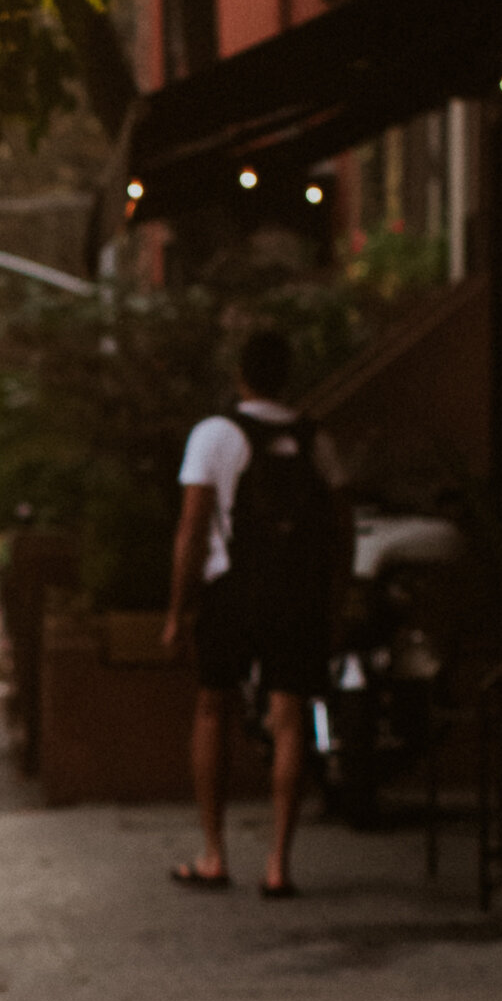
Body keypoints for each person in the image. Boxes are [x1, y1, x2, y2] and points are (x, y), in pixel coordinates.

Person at [164, 326, 342, 898]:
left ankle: (215, 854)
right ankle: (278, 865)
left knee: (213, 710)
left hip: (230, 592)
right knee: (290, 718)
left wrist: (176, 610)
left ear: (240, 375)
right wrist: (333, 599)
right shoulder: (316, 439)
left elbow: (193, 528)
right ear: (286, 376)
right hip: (297, 595)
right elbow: (342, 527)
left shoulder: (214, 435)